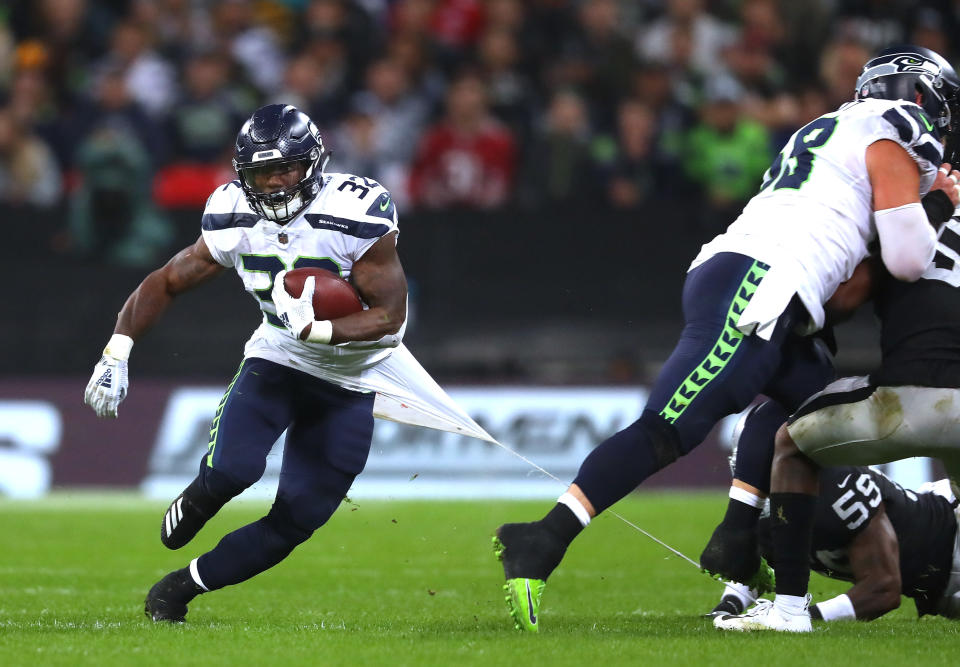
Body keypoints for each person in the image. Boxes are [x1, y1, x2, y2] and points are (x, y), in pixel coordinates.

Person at [492, 44, 960, 633]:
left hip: (771, 287)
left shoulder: (838, 128)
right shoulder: (896, 124)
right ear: (921, 97)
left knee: (802, 421)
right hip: (759, 283)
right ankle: (541, 540)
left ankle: (749, 557)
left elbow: (845, 293)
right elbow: (909, 257)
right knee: (669, 429)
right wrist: (939, 200)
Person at [84, 103, 412, 622]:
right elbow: (168, 279)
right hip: (279, 356)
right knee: (232, 471)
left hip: (353, 375)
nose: (277, 183)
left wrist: (321, 329)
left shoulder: (355, 211)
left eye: (286, 168)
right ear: (243, 175)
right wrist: (116, 349)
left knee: (300, 516)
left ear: (314, 163)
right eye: (263, 172)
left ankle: (179, 588)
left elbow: (389, 316)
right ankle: (204, 490)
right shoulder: (231, 212)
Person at [715, 194, 960, 631]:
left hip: (907, 393)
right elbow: (746, 566)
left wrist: (792, 318)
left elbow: (884, 587)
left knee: (792, 444)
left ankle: (790, 612)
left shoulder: (901, 219)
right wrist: (732, 598)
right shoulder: (776, 521)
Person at [705, 462, 960, 623]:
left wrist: (805, 617)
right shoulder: (770, 510)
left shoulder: (838, 491)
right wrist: (728, 606)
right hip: (934, 585)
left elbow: (884, 589)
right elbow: (759, 566)